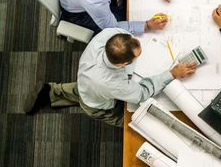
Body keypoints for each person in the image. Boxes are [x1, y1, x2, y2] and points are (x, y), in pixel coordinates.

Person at [24, 28, 196, 126]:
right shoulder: (113, 84)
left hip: (86, 81)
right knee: (130, 120)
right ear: (122, 65)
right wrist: (172, 73)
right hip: (98, 104)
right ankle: (53, 94)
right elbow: (141, 93)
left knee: (82, 90)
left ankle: (51, 91)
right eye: (136, 57)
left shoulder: (109, 35)